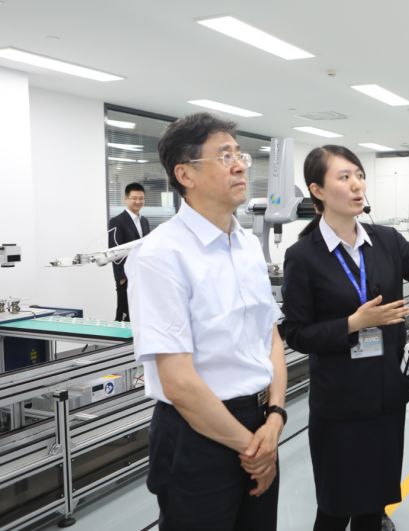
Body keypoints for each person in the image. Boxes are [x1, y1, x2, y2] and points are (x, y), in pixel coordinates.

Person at [281, 145, 409, 531]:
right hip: (339, 401)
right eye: (344, 177)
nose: (357, 185)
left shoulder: (386, 240)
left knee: (373, 505)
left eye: (359, 175)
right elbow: (296, 334)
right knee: (335, 508)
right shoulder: (303, 256)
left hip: (386, 394)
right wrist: (352, 324)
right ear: (317, 190)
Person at [126, 113, 287, 530]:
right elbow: (179, 382)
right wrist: (253, 449)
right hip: (197, 437)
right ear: (185, 174)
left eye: (240, 155)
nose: (240, 166)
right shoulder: (161, 255)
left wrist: (274, 418)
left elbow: (270, 337)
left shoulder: (247, 244)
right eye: (224, 156)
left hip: (260, 422)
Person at [108, 182, 150, 321]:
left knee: (139, 316)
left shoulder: (144, 221)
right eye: (134, 198)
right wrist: (121, 278)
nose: (138, 201)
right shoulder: (117, 221)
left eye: (141, 198)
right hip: (126, 278)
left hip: (142, 276)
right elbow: (114, 251)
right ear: (126, 199)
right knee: (124, 315)